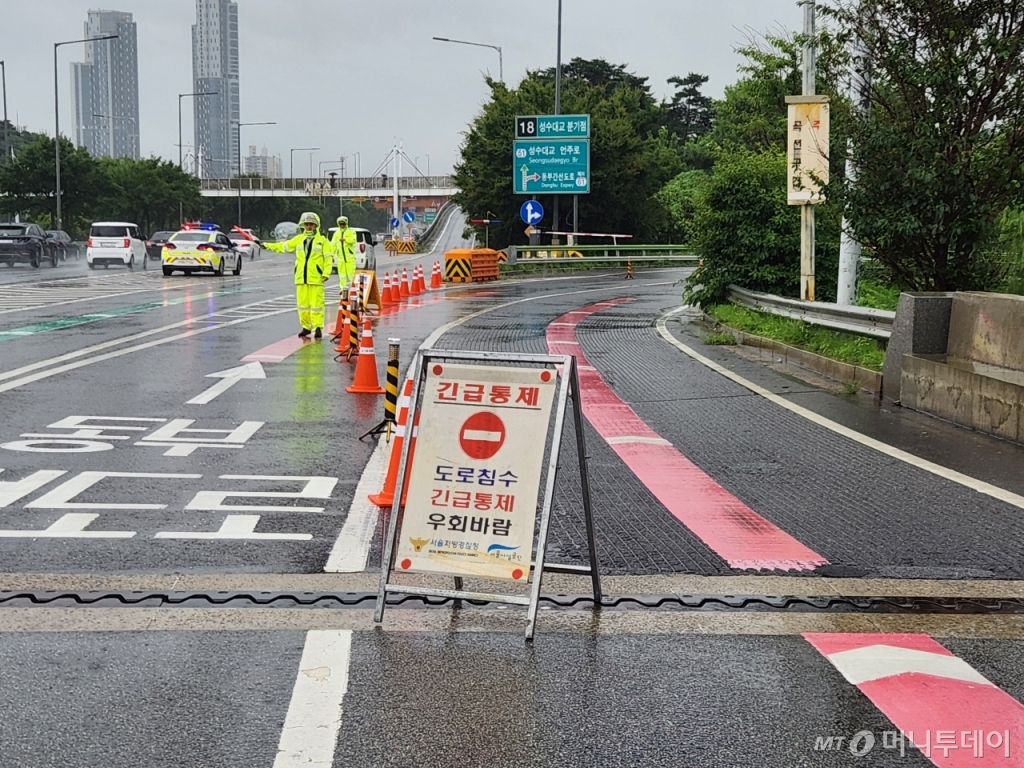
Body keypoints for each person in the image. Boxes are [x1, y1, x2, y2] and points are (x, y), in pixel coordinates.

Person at [265, 211, 332, 339]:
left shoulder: (322, 241)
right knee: (303, 305)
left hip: (316, 278)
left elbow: (328, 258)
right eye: (306, 224)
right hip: (301, 278)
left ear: (316, 225)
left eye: (311, 224)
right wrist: (267, 245)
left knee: (317, 305)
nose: (309, 227)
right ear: (303, 225)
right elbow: (283, 246)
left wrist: (326, 273)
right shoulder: (298, 239)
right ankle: (306, 327)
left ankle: (318, 327)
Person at [331, 215, 357, 294]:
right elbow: (333, 245)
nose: (342, 225)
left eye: (343, 224)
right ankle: (342, 289)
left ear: (346, 223)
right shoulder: (336, 233)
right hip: (340, 257)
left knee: (351, 274)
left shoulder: (351, 232)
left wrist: (345, 240)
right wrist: (332, 255)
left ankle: (354, 288)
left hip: (349, 257)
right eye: (340, 224)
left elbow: (353, 240)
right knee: (342, 275)